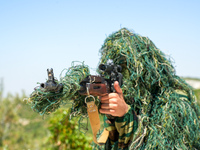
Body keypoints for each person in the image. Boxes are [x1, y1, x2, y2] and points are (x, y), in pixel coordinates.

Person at [93, 28, 200, 150]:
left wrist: (126, 115)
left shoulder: (176, 102)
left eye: (125, 68)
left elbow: (160, 144)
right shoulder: (132, 100)